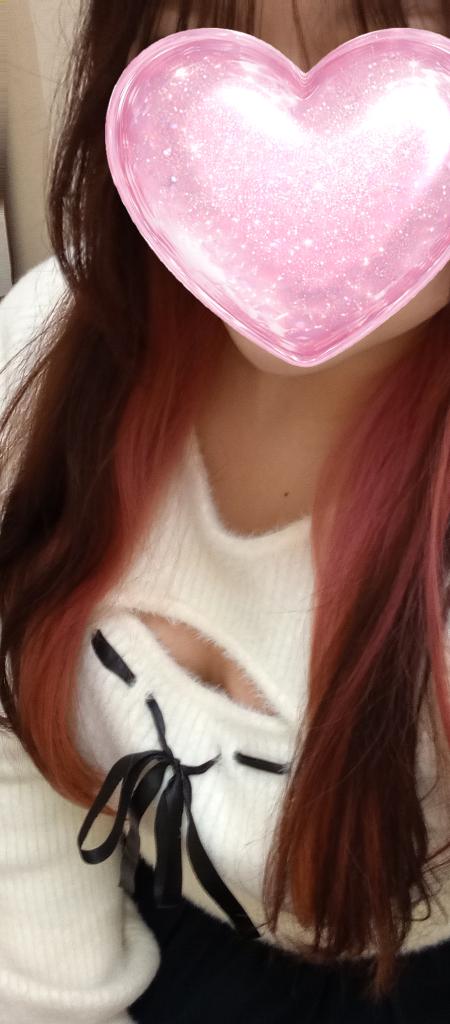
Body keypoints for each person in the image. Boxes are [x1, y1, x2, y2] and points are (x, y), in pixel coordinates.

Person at [1, 1, 450, 1021]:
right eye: (215, 54)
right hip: (145, 931)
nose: (293, 193)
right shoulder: (43, 355)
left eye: (392, 68)